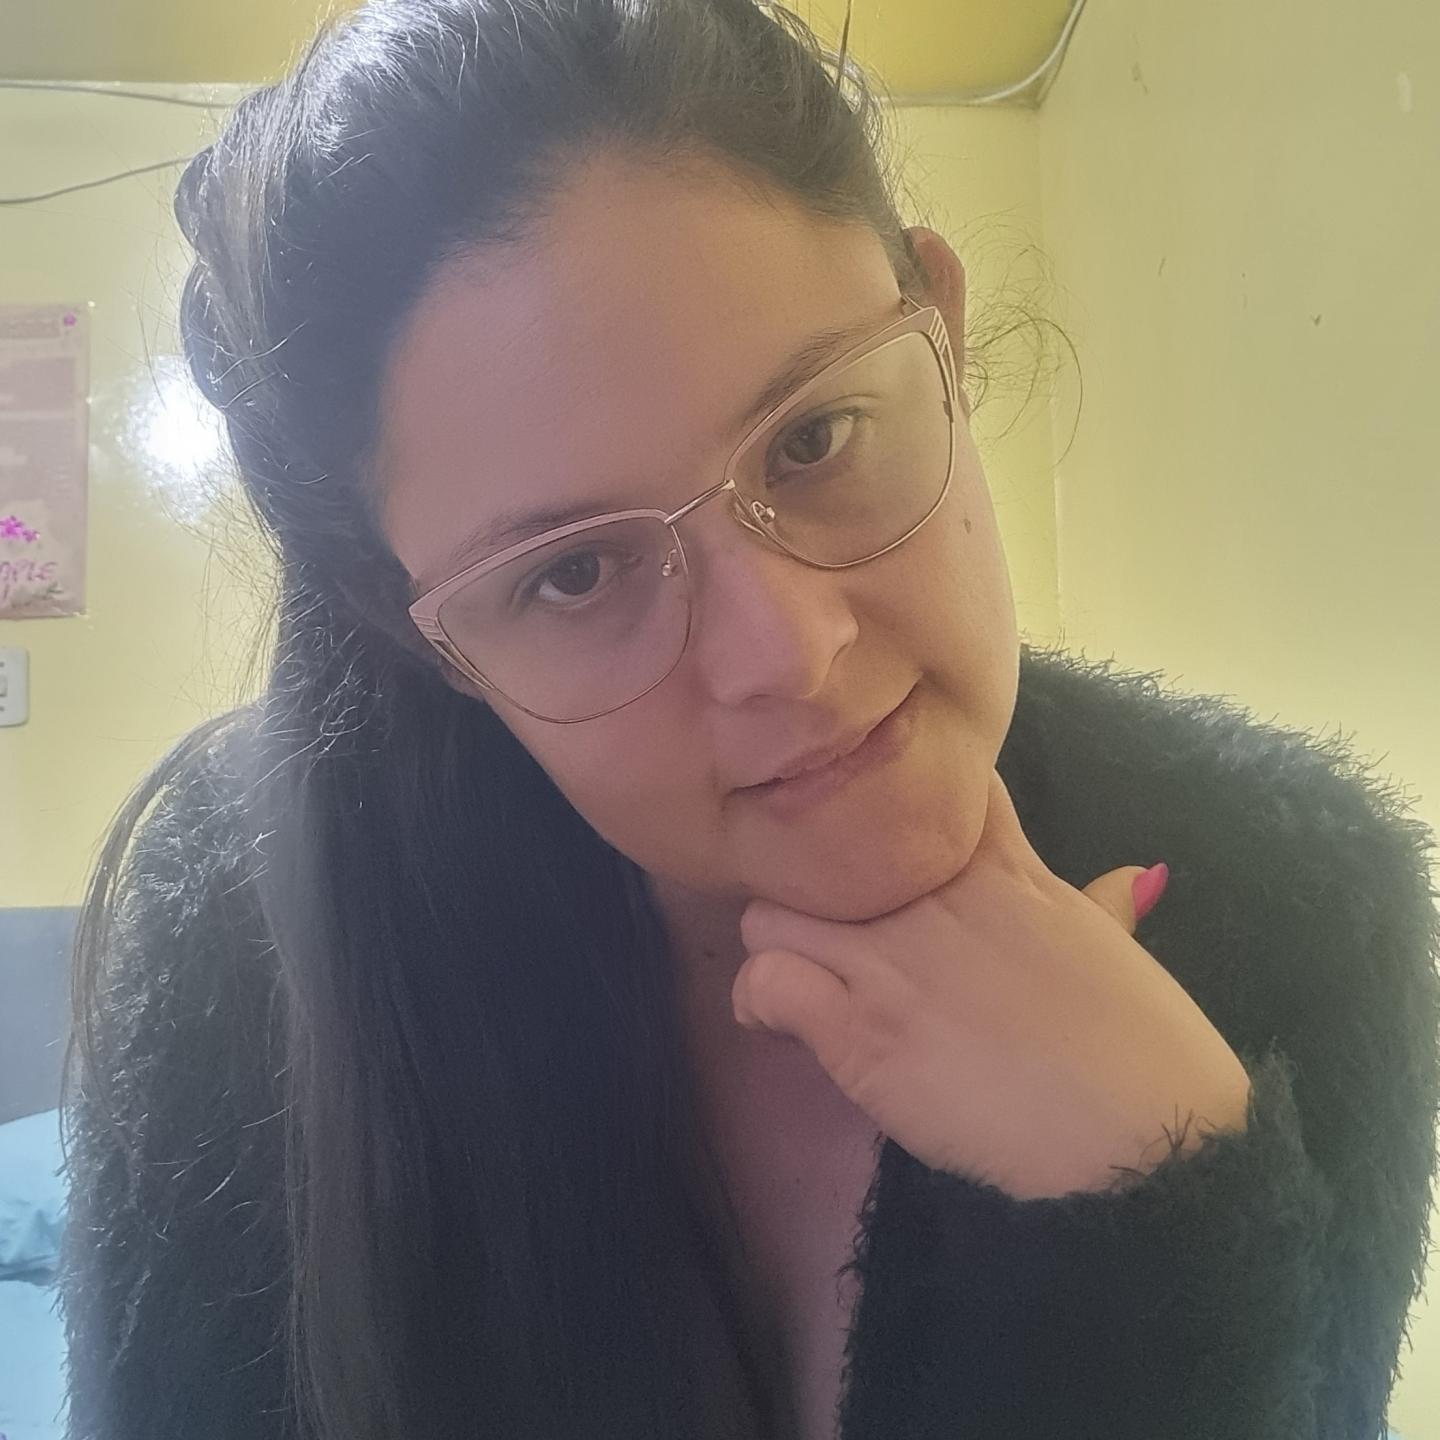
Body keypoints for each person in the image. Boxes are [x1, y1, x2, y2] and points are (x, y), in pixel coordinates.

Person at [58, 1, 1440, 1437]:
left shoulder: (1299, 906)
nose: (790, 651)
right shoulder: (248, 953)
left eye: (814, 438)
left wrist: (1157, 1217)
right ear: (432, 647)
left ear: (944, 333)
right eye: (574, 574)